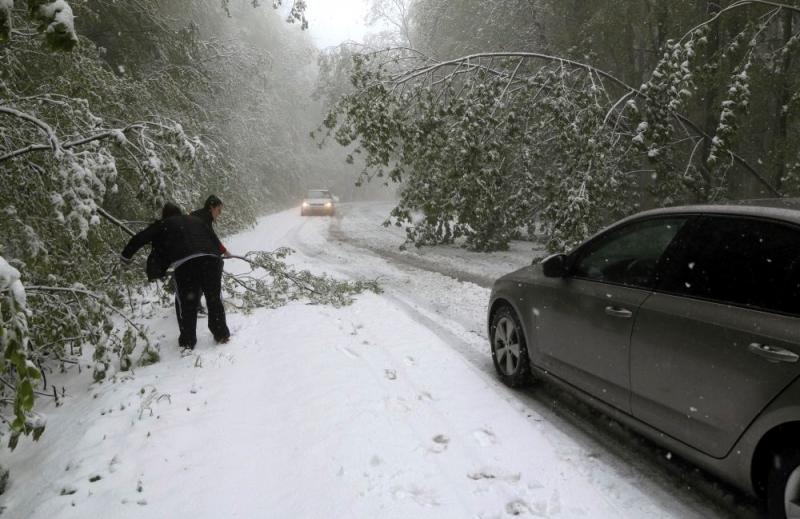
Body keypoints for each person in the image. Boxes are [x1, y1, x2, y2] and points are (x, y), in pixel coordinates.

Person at [121, 210, 231, 350]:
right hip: (211, 259)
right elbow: (213, 237)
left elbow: (141, 238)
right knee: (214, 298)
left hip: (186, 264)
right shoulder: (196, 220)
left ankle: (188, 341)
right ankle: (221, 334)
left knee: (187, 303)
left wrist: (126, 256)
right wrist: (223, 252)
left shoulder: (163, 224)